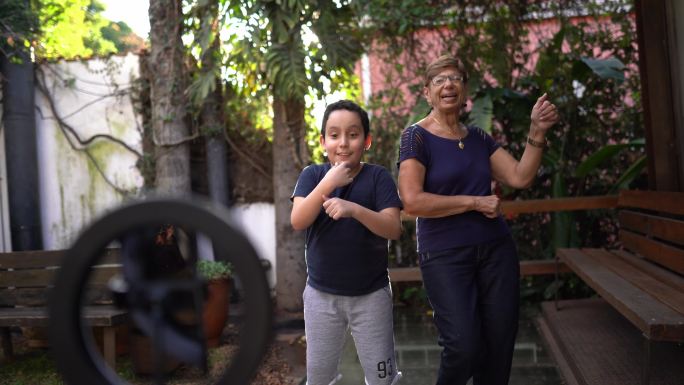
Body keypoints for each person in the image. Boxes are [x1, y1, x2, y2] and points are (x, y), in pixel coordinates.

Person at [397, 54, 559, 385]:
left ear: (465, 89)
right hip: (445, 256)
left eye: (455, 78)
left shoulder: (478, 138)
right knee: (463, 347)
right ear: (427, 92)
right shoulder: (416, 137)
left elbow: (519, 176)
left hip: (495, 250)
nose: (448, 85)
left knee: (499, 346)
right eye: (439, 80)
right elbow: (412, 201)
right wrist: (472, 202)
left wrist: (537, 131)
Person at [291, 99, 403, 385]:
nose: (343, 142)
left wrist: (354, 210)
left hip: (371, 296)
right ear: (323, 141)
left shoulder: (378, 178)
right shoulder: (312, 176)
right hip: (321, 297)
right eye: (334, 134)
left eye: (353, 135)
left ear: (366, 141)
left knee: (382, 378)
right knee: (319, 378)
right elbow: (298, 220)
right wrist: (328, 184)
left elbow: (393, 228)